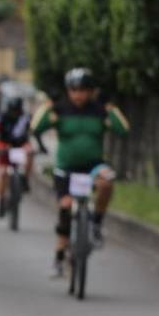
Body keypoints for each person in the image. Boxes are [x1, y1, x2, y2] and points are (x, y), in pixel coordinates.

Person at [32, 67, 129, 277]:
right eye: (74, 90)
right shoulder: (60, 109)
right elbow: (36, 127)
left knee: (106, 184)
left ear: (91, 91)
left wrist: (110, 107)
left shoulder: (100, 110)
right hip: (66, 168)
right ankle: (60, 255)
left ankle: (96, 223)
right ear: (68, 91)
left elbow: (123, 129)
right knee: (65, 207)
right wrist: (49, 105)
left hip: (93, 166)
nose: (78, 95)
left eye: (84, 90)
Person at [0, 97, 35, 218]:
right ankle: (1, 200)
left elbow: (32, 130)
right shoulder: (2, 117)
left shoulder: (25, 118)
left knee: (31, 152)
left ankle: (25, 179)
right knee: (2, 173)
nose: (15, 113)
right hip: (4, 146)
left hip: (20, 146)